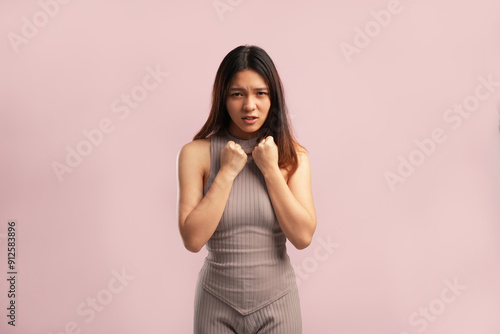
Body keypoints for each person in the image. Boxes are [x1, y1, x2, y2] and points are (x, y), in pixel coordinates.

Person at [176, 44, 317, 334]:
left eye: (260, 93)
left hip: (278, 304)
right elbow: (192, 240)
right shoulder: (196, 153)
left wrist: (270, 171)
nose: (249, 105)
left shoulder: (293, 156)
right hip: (216, 303)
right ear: (223, 98)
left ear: (273, 98)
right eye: (237, 94)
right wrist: (226, 172)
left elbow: (302, 237)